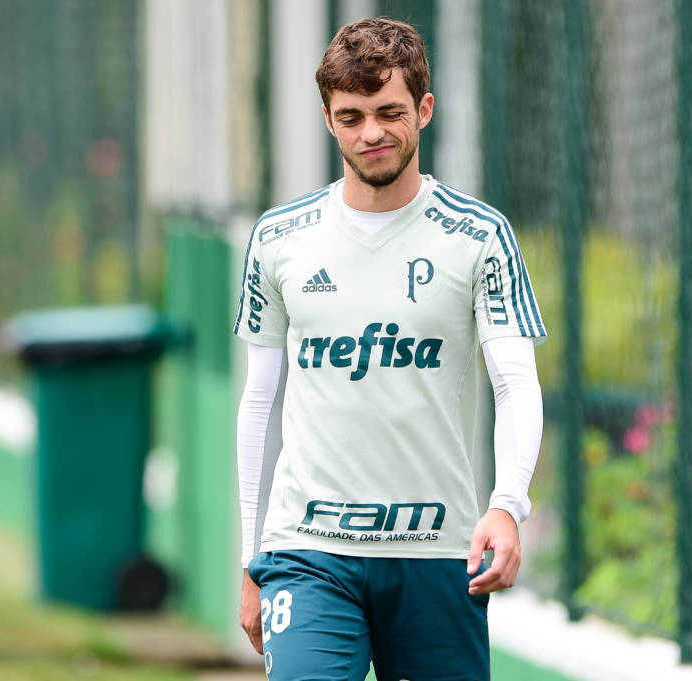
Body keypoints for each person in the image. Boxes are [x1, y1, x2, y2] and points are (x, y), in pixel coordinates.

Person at [232, 18, 546, 681]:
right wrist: (251, 556)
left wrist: (507, 503)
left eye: (389, 112)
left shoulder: (480, 236)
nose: (371, 132)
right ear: (328, 120)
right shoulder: (279, 238)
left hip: (438, 551)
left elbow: (515, 381)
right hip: (307, 550)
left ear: (424, 109)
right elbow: (261, 401)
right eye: (351, 116)